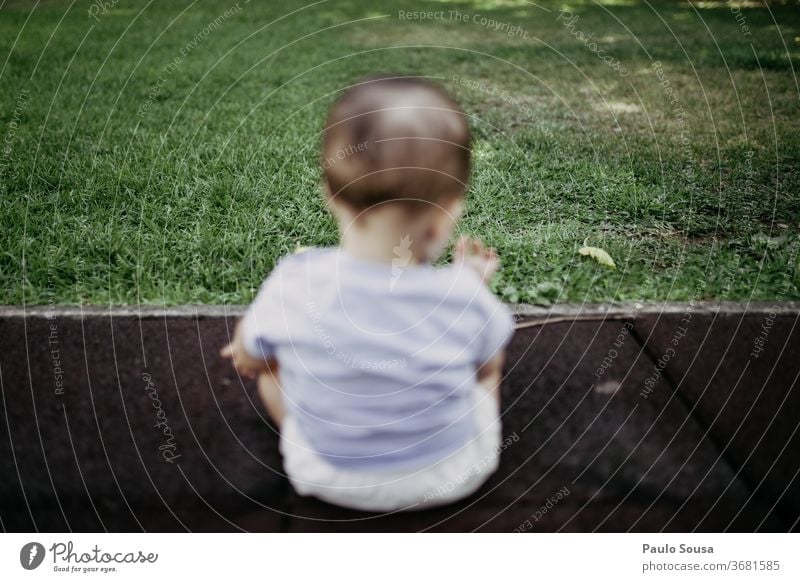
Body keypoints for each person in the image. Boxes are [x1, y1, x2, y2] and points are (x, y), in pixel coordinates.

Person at [221, 75, 515, 512]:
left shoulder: (295, 282)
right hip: (453, 475)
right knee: (487, 370)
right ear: (448, 214)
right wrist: (467, 282)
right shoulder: (464, 298)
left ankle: (315, 437)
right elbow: (485, 366)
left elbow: (252, 354)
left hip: (327, 477)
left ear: (329, 197)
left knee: (269, 366)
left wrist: (250, 353)